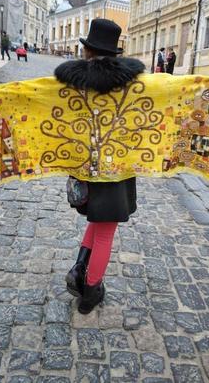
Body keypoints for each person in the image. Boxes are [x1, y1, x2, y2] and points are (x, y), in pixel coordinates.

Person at [55, 19, 145, 315]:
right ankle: (91, 292)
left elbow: (31, 96)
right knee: (106, 231)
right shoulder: (134, 85)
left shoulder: (71, 82)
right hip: (116, 169)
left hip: (86, 168)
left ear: (87, 50)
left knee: (97, 220)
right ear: (114, 53)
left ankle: (79, 269)